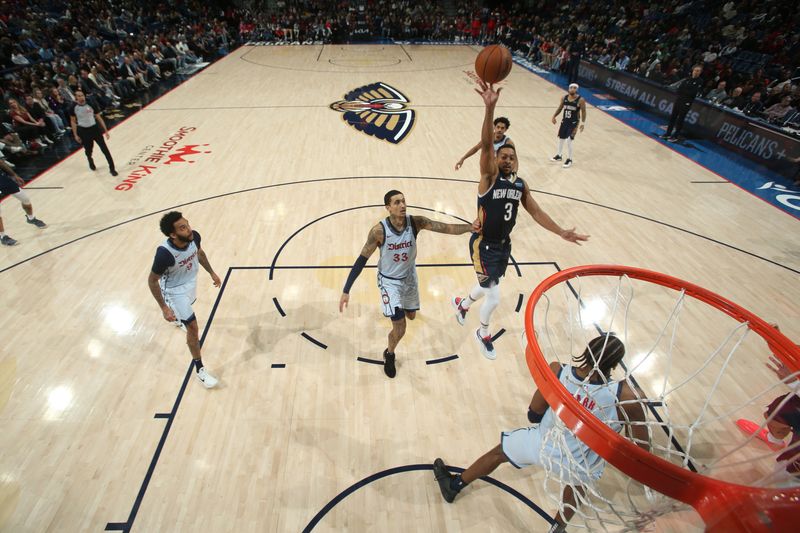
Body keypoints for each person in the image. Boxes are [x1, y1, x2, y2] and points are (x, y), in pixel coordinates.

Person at [432, 335, 648, 530]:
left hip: (543, 443)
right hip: (579, 462)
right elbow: (642, 449)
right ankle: (558, 528)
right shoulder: (627, 397)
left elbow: (533, 414)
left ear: (588, 348)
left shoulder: (558, 371)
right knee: (577, 487)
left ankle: (454, 486)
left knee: (498, 453)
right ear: (615, 364)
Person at [452, 81, 588, 360]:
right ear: (495, 159)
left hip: (503, 246)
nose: (508, 159)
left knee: (487, 284)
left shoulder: (520, 185)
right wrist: (490, 108)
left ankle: (463, 304)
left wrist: (561, 232)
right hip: (483, 244)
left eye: (512, 157)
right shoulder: (488, 178)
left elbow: (536, 212)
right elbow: (487, 144)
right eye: (503, 156)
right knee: (494, 295)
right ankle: (484, 332)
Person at [339, 190, 477, 378]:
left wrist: (469, 228)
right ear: (388, 208)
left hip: (409, 277)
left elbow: (444, 227)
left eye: (403, 201)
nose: (402, 205)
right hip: (389, 282)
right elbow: (361, 260)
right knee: (401, 327)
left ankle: (401, 309)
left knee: (411, 316)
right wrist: (346, 289)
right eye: (396, 203)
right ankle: (389, 354)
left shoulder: (415, 222)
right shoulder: (378, 231)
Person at [148, 211, 221, 389]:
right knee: (193, 328)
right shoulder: (164, 254)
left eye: (187, 224)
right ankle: (200, 370)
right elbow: (152, 281)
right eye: (182, 228)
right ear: (172, 234)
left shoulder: (194, 237)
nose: (188, 229)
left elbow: (200, 254)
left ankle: (180, 319)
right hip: (174, 291)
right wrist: (164, 307)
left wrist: (212, 272)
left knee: (187, 314)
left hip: (189, 284)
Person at [70, 90, 117, 176]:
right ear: (76, 98)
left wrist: (106, 130)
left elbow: (98, 117)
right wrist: (75, 135)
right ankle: (89, 159)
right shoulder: (73, 107)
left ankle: (112, 168)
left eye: (82, 95)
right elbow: (73, 121)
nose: (81, 97)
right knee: (89, 150)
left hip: (95, 129)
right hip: (83, 131)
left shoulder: (91, 104)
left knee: (105, 149)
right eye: (79, 96)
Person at [0, 159, 47, 246]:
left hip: (2, 179)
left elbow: (1, 163)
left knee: (25, 199)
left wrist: (14, 175)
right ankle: (3, 237)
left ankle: (31, 218)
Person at [662, 64, 704, 142]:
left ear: (700, 72)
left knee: (680, 120)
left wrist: (684, 91)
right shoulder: (687, 79)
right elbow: (679, 89)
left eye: (698, 71)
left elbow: (693, 93)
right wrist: (685, 91)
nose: (696, 72)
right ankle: (668, 133)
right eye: (695, 70)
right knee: (673, 118)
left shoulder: (699, 81)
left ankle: (675, 136)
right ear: (693, 70)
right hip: (679, 100)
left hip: (686, 103)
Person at [549, 83, 587, 168]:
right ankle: (559, 155)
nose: (572, 89)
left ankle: (569, 159)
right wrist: (554, 116)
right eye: (571, 87)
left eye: (574, 88)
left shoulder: (581, 100)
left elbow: (583, 112)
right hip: (565, 121)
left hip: (574, 123)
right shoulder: (564, 98)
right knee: (561, 138)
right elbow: (560, 108)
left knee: (569, 140)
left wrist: (583, 123)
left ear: (576, 90)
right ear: (568, 89)